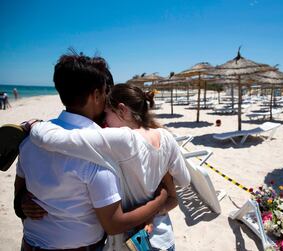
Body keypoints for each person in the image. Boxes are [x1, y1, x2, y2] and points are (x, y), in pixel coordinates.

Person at [15, 53, 169, 250]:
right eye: (106, 92)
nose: (108, 99)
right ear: (96, 95)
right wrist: (161, 200)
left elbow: (19, 188)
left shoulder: (30, 139)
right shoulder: (99, 152)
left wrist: (20, 202)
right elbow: (114, 223)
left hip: (29, 243)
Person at [29, 83, 191, 251]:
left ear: (122, 110)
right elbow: (184, 181)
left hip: (132, 243)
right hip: (164, 238)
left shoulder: (124, 139)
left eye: (107, 112)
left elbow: (55, 140)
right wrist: (159, 198)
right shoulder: (165, 136)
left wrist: (34, 125)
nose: (105, 120)